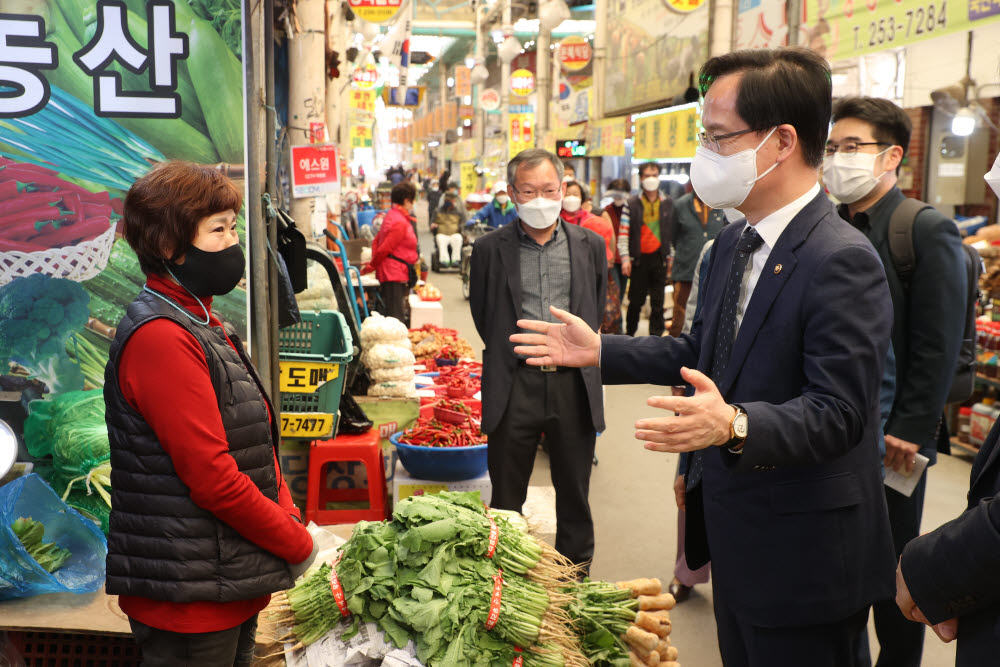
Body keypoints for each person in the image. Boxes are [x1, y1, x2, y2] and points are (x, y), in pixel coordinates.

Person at [512, 47, 896, 665]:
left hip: (807, 554)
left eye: (718, 138)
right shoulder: (732, 243)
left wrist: (736, 423)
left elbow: (842, 412)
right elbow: (702, 352)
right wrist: (600, 351)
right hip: (739, 535)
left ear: (780, 142)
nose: (705, 156)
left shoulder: (840, 258)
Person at [104, 161, 316, 666]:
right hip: (190, 596)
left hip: (224, 579)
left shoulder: (200, 318)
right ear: (168, 246)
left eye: (233, 226)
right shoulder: (162, 337)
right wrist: (296, 543)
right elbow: (213, 478)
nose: (233, 242)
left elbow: (255, 446)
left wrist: (287, 514)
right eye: (217, 230)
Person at [826, 96, 968, 667]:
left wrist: (911, 426)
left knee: (891, 570)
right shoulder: (831, 225)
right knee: (837, 563)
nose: (838, 158)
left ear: (891, 157)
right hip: (836, 427)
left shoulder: (924, 230)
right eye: (832, 148)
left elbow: (937, 339)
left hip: (894, 440)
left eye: (852, 147)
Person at [469, 148, 607, 570]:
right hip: (515, 385)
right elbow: (483, 313)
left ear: (564, 189)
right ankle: (504, 587)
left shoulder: (591, 245)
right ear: (512, 193)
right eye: (529, 190)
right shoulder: (490, 249)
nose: (541, 199)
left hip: (572, 385)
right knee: (507, 498)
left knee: (575, 497)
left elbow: (596, 303)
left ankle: (574, 587)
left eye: (550, 189)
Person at [619, 162, 674, 337]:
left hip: (659, 258)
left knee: (658, 302)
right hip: (638, 259)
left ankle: (656, 340)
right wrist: (625, 258)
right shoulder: (632, 203)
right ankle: (629, 335)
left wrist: (671, 256)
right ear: (641, 178)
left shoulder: (667, 203)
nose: (651, 179)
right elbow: (623, 232)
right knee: (635, 301)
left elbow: (670, 232)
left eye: (655, 175)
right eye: (648, 175)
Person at [561, 180, 621, 334]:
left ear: (582, 198)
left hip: (588, 276)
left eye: (575, 194)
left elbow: (607, 249)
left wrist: (610, 259)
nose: (571, 198)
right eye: (567, 194)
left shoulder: (594, 221)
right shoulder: (554, 222)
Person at [668, 191, 727, 337]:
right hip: (685, 268)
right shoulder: (680, 205)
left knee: (710, 315)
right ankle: (676, 354)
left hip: (714, 270)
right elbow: (671, 236)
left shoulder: (723, 204)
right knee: (680, 316)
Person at [369, 182, 419, 325]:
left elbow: (377, 242)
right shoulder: (398, 221)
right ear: (406, 200)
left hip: (396, 272)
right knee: (395, 320)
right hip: (393, 273)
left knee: (395, 315)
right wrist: (370, 267)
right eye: (412, 201)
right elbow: (383, 248)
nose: (413, 204)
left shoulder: (395, 216)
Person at [600, 178, 631, 295]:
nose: (618, 197)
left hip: (627, 258)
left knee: (622, 292)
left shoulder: (631, 209)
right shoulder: (606, 211)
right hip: (611, 258)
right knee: (615, 292)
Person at [432, 184, 467, 268]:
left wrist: (462, 228)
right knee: (441, 239)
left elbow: (463, 222)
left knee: (458, 238)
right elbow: (432, 222)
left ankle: (456, 260)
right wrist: (433, 226)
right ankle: (444, 260)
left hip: (454, 233)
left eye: (451, 200)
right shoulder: (437, 211)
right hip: (442, 233)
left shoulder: (458, 212)